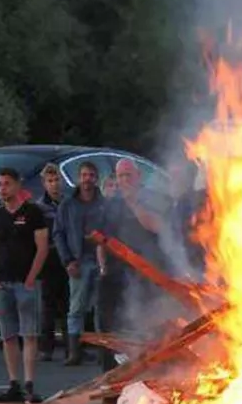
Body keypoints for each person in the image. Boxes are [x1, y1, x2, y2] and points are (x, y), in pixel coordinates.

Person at [0, 168, 50, 402]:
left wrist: (32, 277)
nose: (2, 189)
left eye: (7, 184)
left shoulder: (33, 213)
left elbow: (42, 248)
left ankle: (30, 384)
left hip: (26, 282)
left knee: (29, 334)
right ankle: (14, 383)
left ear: (18, 185)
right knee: (8, 335)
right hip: (3, 282)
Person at [98, 158, 166, 371]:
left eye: (128, 175)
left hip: (146, 273)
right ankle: (111, 375)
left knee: (147, 323)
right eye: (121, 176)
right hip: (116, 272)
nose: (124, 180)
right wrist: (102, 267)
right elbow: (100, 237)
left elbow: (159, 228)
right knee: (111, 325)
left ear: (138, 177)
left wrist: (134, 203)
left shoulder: (153, 199)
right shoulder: (111, 205)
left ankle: (147, 371)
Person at [54, 160, 107, 366]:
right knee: (76, 308)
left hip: (100, 259)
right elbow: (58, 233)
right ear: (79, 178)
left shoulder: (104, 204)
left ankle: (104, 351)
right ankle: (74, 351)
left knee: (100, 308)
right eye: (84, 175)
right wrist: (67, 260)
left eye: (91, 175)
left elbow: (111, 230)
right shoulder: (68, 204)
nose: (87, 179)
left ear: (96, 179)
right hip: (78, 261)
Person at [36, 163, 69, 361]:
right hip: (49, 259)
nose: (54, 184)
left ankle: (71, 347)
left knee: (68, 305)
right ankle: (45, 348)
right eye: (50, 181)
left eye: (56, 180)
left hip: (66, 258)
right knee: (47, 305)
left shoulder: (68, 203)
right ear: (44, 183)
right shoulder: (39, 207)